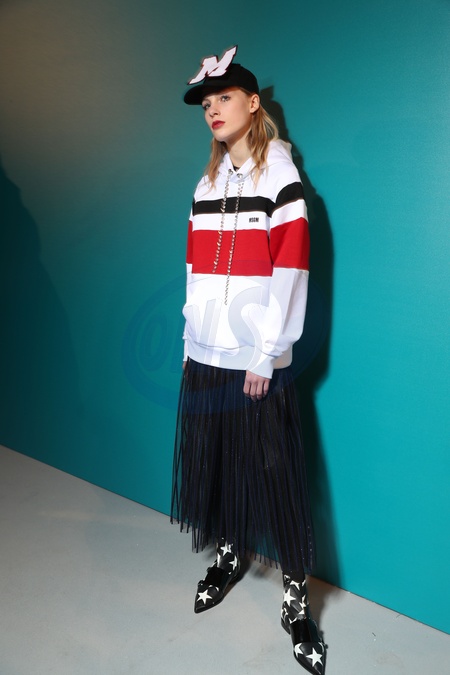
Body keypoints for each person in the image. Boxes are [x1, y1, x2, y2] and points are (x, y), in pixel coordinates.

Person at [171, 46, 326, 674]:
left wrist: (266, 353)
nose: (212, 109)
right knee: (218, 463)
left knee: (275, 472)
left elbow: (291, 268)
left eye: (224, 98)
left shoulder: (279, 178)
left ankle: (296, 601)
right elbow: (193, 268)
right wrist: (190, 342)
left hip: (256, 358)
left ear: (253, 103)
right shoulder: (206, 184)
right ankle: (230, 553)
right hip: (206, 351)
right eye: (206, 103)